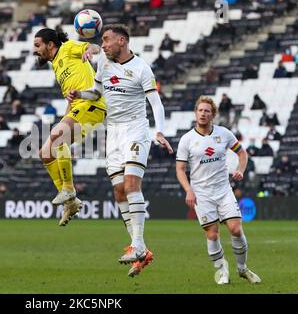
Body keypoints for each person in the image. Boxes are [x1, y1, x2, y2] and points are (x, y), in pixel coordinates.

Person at [67, 25, 173, 277]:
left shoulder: (141, 68)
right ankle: (141, 248)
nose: (103, 44)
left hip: (136, 130)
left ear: (122, 41)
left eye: (106, 40)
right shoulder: (103, 62)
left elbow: (155, 103)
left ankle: (136, 244)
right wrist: (79, 93)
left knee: (131, 184)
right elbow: (96, 92)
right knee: (119, 191)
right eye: (102, 41)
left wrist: (160, 131)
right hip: (112, 133)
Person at [176, 96, 261, 285]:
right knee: (212, 234)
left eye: (207, 111)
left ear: (213, 114)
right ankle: (222, 270)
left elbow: (242, 152)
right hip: (201, 194)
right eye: (200, 110)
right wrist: (188, 189)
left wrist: (240, 169)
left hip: (223, 190)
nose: (203, 114)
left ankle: (242, 268)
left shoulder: (224, 134)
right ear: (196, 113)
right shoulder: (187, 139)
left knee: (236, 230)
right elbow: (180, 169)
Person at [33, 28, 106, 226]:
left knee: (58, 138)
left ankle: (68, 189)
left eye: (37, 45)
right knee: (45, 153)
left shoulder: (67, 48)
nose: (35, 50)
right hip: (78, 107)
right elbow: (70, 96)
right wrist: (66, 115)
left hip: (93, 105)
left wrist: (90, 50)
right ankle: (71, 203)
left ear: (50, 44)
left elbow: (95, 47)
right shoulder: (57, 65)